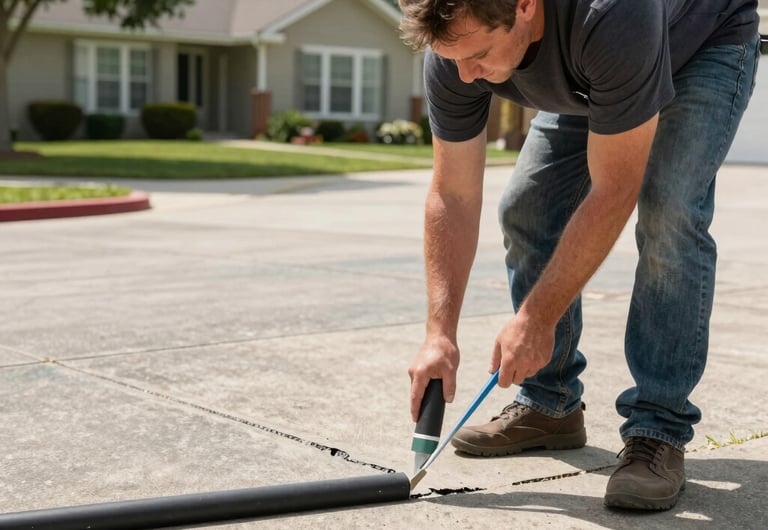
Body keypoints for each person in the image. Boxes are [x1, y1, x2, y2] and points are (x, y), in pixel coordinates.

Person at [400, 0, 760, 511]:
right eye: (452, 58)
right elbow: (453, 195)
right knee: (528, 207)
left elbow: (615, 189)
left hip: (701, 44)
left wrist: (536, 317)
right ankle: (550, 404)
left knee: (668, 214)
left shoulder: (614, 14)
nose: (467, 75)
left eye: (479, 54)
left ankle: (658, 430)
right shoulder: (456, 49)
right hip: (597, 67)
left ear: (525, 6)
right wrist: (439, 334)